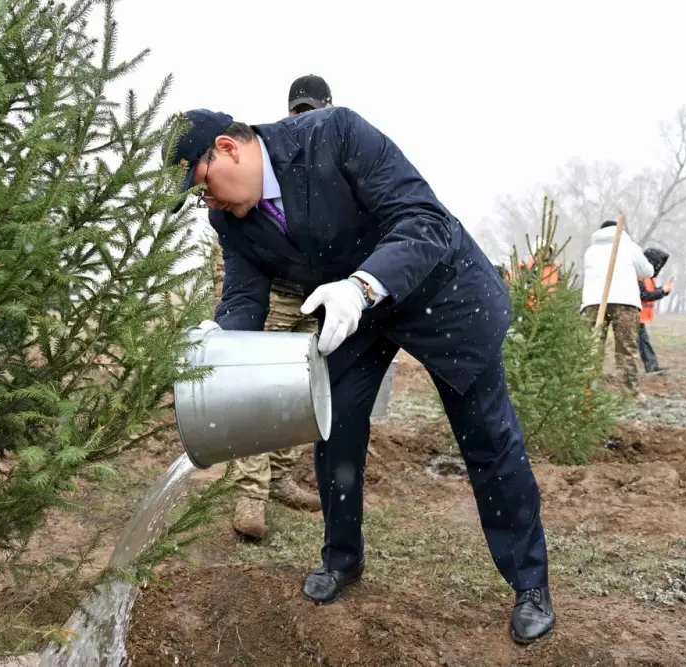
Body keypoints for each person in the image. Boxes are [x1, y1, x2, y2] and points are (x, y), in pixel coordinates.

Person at [168, 106, 554, 644]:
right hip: (359, 320)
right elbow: (244, 295)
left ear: (229, 149)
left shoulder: (333, 135)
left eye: (204, 186)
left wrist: (363, 285)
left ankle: (530, 583)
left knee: (487, 439)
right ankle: (342, 559)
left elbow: (425, 221)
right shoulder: (231, 219)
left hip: (439, 294)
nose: (208, 203)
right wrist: (220, 340)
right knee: (336, 430)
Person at [213, 76, 335, 540]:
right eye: (297, 112)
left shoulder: (332, 162)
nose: (303, 120)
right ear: (288, 114)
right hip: (275, 299)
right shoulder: (270, 163)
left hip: (319, 299)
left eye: (313, 111)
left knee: (302, 393)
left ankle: (282, 477)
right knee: (259, 392)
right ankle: (251, 493)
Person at [579, 221, 654, 400]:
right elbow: (647, 272)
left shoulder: (590, 251)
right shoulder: (629, 247)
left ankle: (589, 391)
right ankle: (631, 394)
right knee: (626, 349)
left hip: (593, 302)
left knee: (592, 347)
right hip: (624, 302)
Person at [638, 248, 672, 375]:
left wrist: (664, 291)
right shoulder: (640, 277)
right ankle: (651, 366)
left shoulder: (648, 277)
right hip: (634, 316)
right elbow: (644, 295)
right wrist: (662, 291)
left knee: (642, 342)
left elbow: (650, 293)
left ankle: (651, 366)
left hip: (639, 317)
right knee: (641, 342)